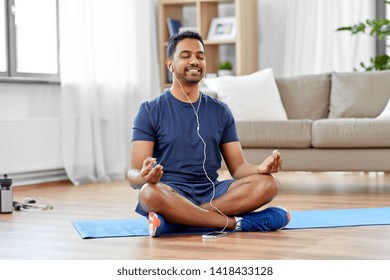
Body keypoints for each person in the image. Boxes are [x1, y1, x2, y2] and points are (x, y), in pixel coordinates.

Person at [127, 31, 290, 237]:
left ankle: (178, 221)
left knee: (269, 183)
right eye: (185, 56)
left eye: (200, 56)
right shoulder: (150, 110)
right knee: (149, 193)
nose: (194, 60)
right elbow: (133, 175)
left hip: (212, 192)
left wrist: (260, 168)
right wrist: (142, 176)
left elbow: (238, 168)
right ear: (170, 64)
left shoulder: (220, 111)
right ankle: (235, 224)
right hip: (170, 193)